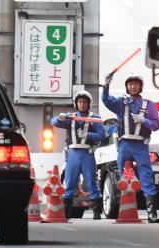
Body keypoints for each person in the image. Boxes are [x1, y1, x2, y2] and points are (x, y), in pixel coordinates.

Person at [101, 72, 159, 223]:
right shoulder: (121, 103)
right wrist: (106, 85)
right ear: (127, 87)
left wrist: (144, 120)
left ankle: (151, 213)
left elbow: (156, 125)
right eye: (130, 84)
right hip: (125, 145)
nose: (133, 86)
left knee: (146, 178)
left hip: (141, 145)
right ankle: (126, 210)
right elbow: (106, 101)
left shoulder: (149, 105)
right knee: (124, 178)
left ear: (140, 87)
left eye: (136, 84)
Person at [51, 89, 106, 220]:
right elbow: (54, 122)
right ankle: (66, 213)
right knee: (70, 182)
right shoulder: (70, 117)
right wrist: (60, 117)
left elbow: (102, 135)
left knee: (92, 182)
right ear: (76, 103)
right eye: (80, 102)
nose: (82, 104)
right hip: (73, 153)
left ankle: (96, 212)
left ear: (88, 104)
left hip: (87, 153)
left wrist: (88, 135)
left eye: (85, 102)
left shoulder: (95, 118)